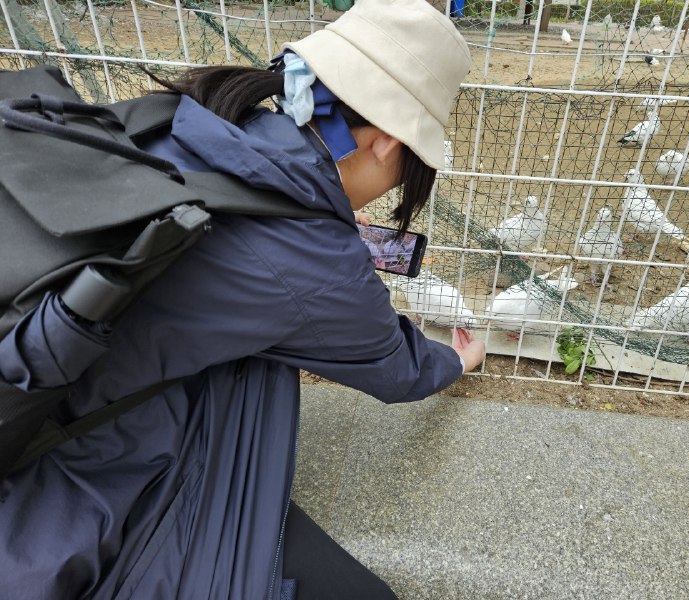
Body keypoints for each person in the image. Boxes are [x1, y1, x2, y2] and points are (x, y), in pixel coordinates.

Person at [0, 0, 484, 598]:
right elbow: (397, 367)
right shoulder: (315, 257)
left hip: (44, 392)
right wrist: (458, 359)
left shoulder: (195, 119)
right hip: (70, 488)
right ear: (388, 144)